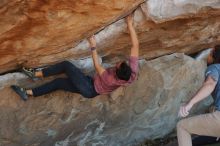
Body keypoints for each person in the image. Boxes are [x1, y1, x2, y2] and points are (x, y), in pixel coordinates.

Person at [11, 14, 139, 101]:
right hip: (91, 87)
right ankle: (27, 94)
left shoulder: (110, 79)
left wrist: (93, 46)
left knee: (66, 65)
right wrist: (130, 24)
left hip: (89, 88)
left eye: (118, 65)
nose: (119, 62)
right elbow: (135, 45)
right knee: (58, 83)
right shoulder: (132, 74)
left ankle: (35, 74)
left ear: (117, 72)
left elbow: (97, 66)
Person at [177, 45, 220, 146]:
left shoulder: (215, 68)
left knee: (182, 127)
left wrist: (189, 104)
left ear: (213, 54)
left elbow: (210, 84)